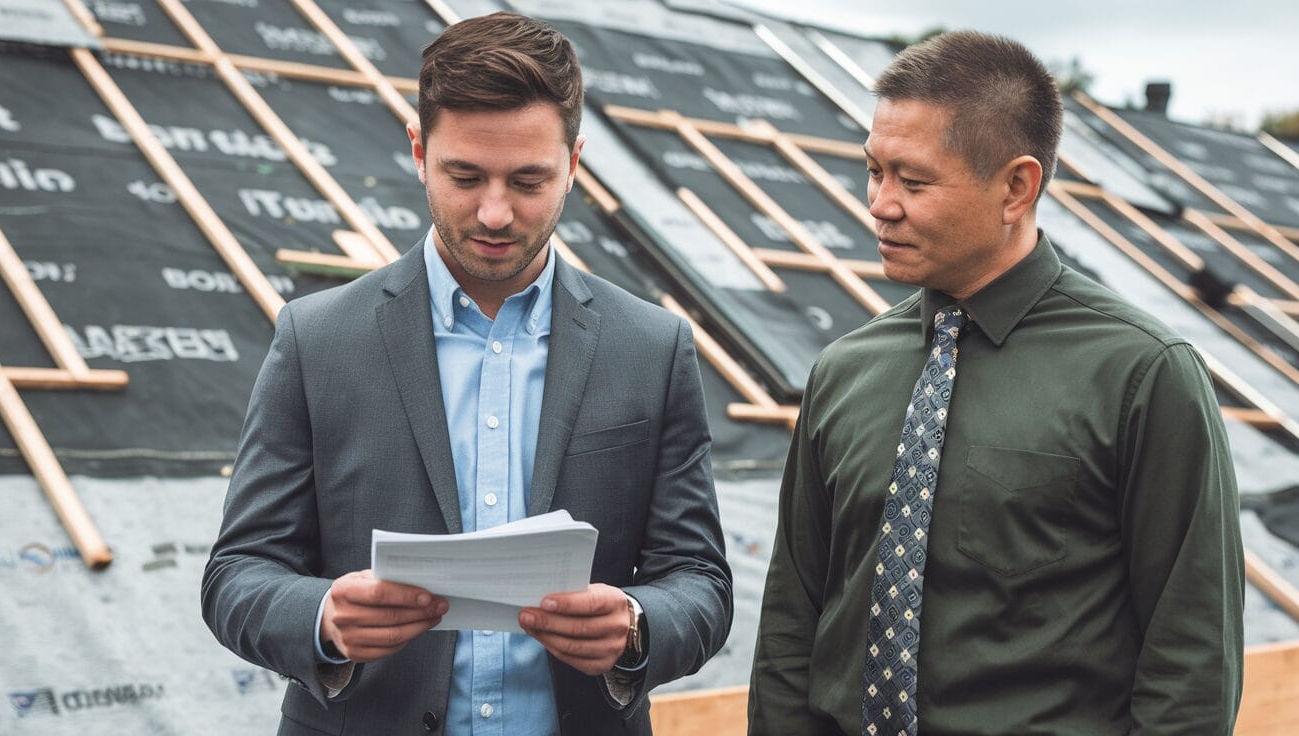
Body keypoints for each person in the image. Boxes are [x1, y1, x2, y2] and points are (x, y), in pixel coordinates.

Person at [202, 12, 731, 736]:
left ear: (574, 163)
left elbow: (700, 580)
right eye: (465, 176)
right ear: (419, 152)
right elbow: (238, 571)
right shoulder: (318, 338)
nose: (494, 212)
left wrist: (636, 626)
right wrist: (324, 617)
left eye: (528, 180)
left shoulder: (652, 346)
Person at [749, 30, 1243, 735]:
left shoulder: (1142, 376)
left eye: (913, 181)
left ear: (1017, 186)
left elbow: (1192, 659)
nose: (879, 204)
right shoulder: (844, 371)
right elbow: (793, 621)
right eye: (873, 170)